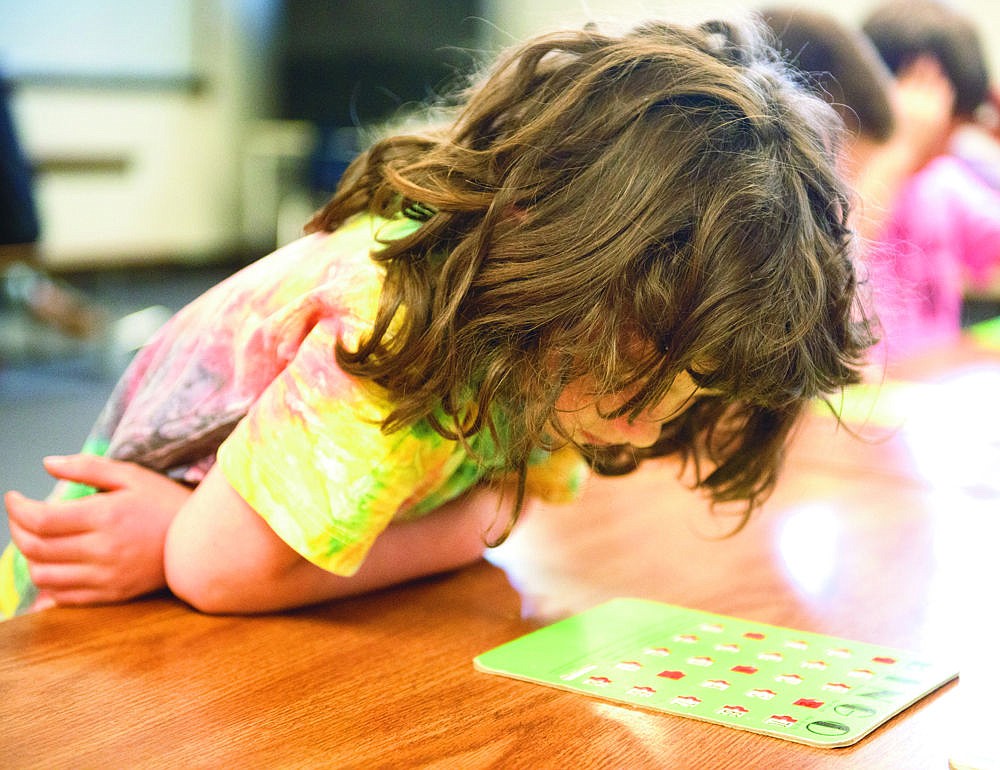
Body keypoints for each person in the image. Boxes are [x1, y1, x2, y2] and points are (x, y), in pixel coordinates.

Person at [1, 18, 874, 619]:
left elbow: (498, 511)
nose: (643, 424)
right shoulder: (399, 319)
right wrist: (455, 537)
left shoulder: (564, 330)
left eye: (689, 391)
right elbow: (218, 571)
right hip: (75, 621)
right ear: (549, 243)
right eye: (627, 374)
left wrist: (462, 529)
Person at [860, 0, 1000, 360]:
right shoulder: (840, 176)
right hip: (855, 398)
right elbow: (833, 260)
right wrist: (899, 150)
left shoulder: (943, 181)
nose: (949, 137)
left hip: (931, 388)